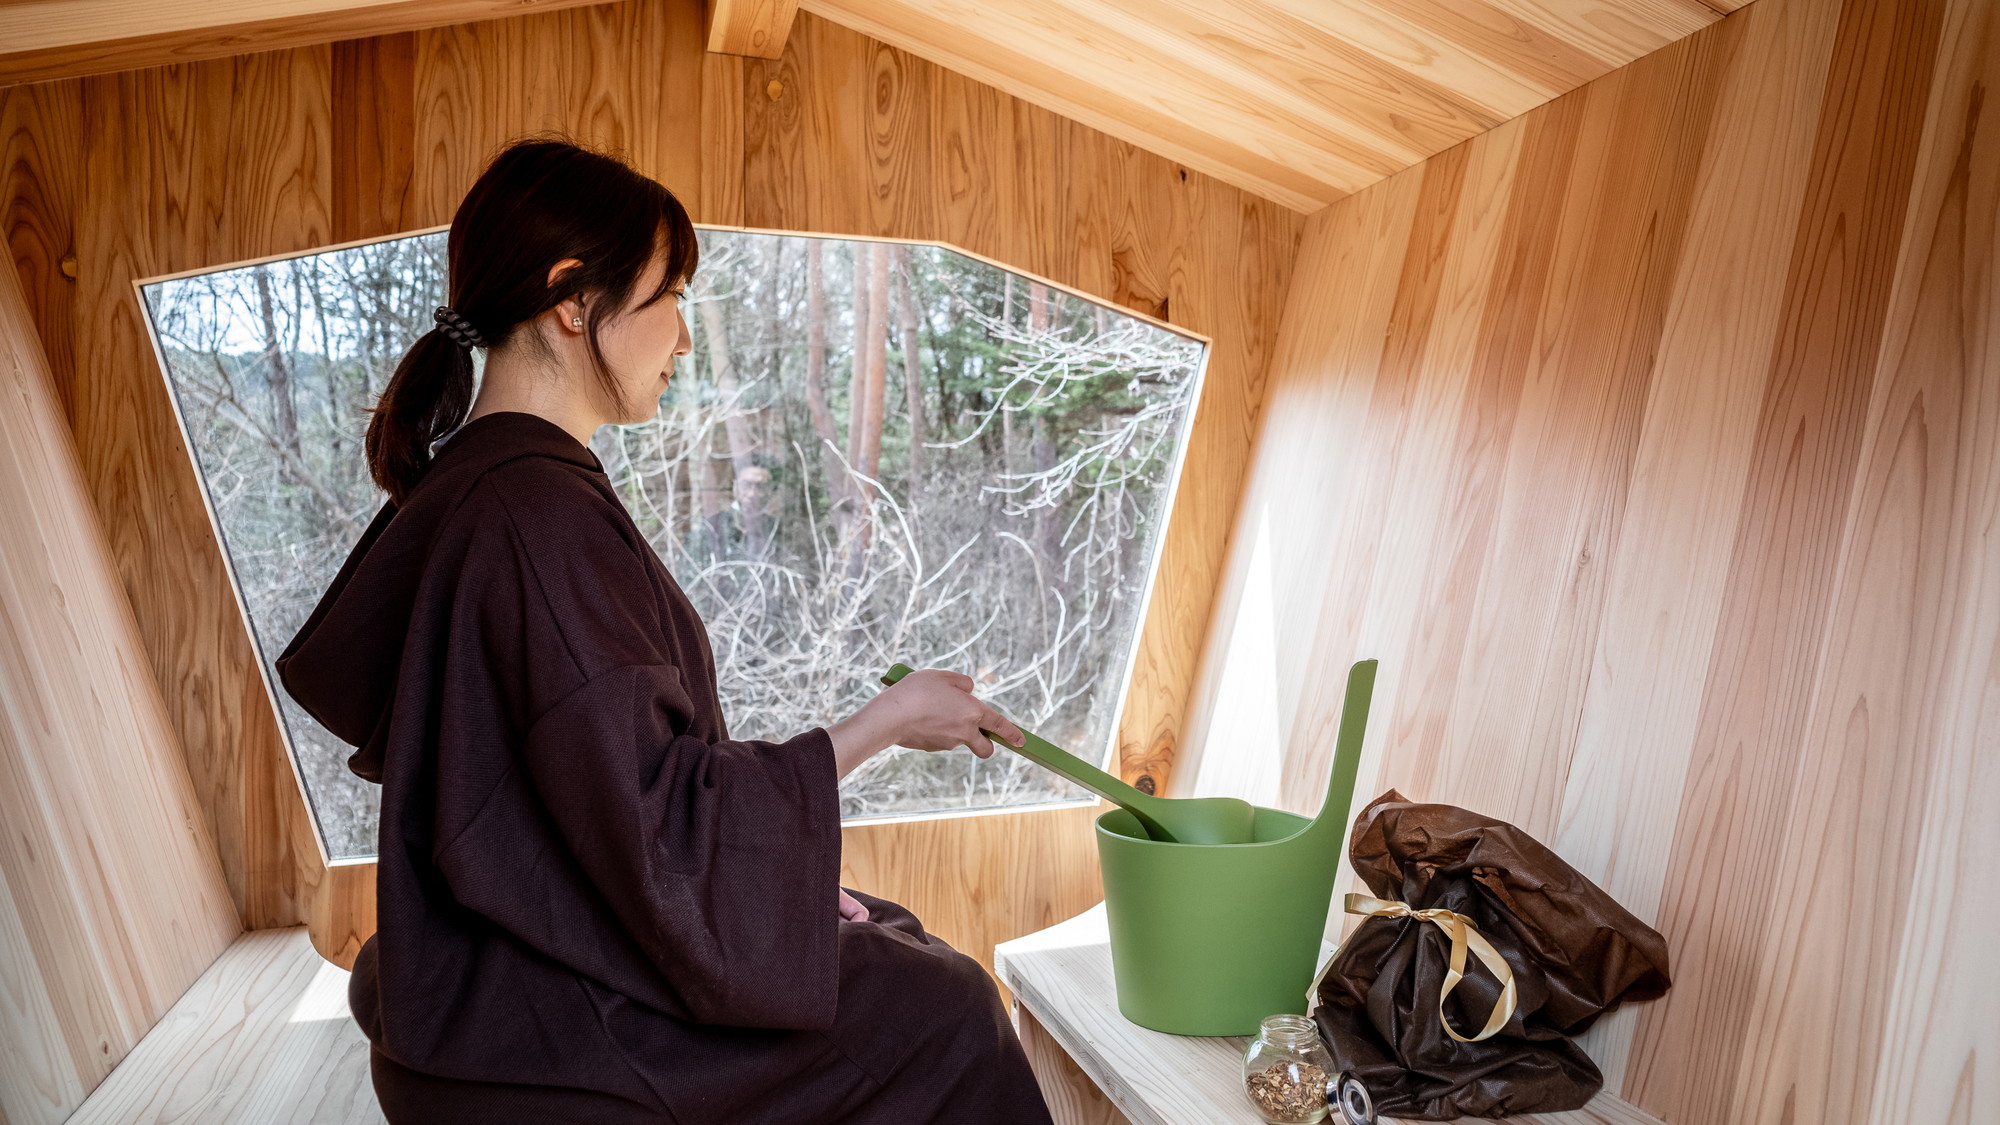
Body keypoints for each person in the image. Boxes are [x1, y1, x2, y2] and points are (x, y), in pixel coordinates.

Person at [275, 137, 1058, 1125]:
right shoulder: (531, 515)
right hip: (536, 1016)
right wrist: (889, 719)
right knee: (942, 1011)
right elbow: (644, 816)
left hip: (494, 967)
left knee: (880, 935)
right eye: (669, 296)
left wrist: (771, 901)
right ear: (572, 300)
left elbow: (567, 801)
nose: (682, 339)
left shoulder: (482, 488)